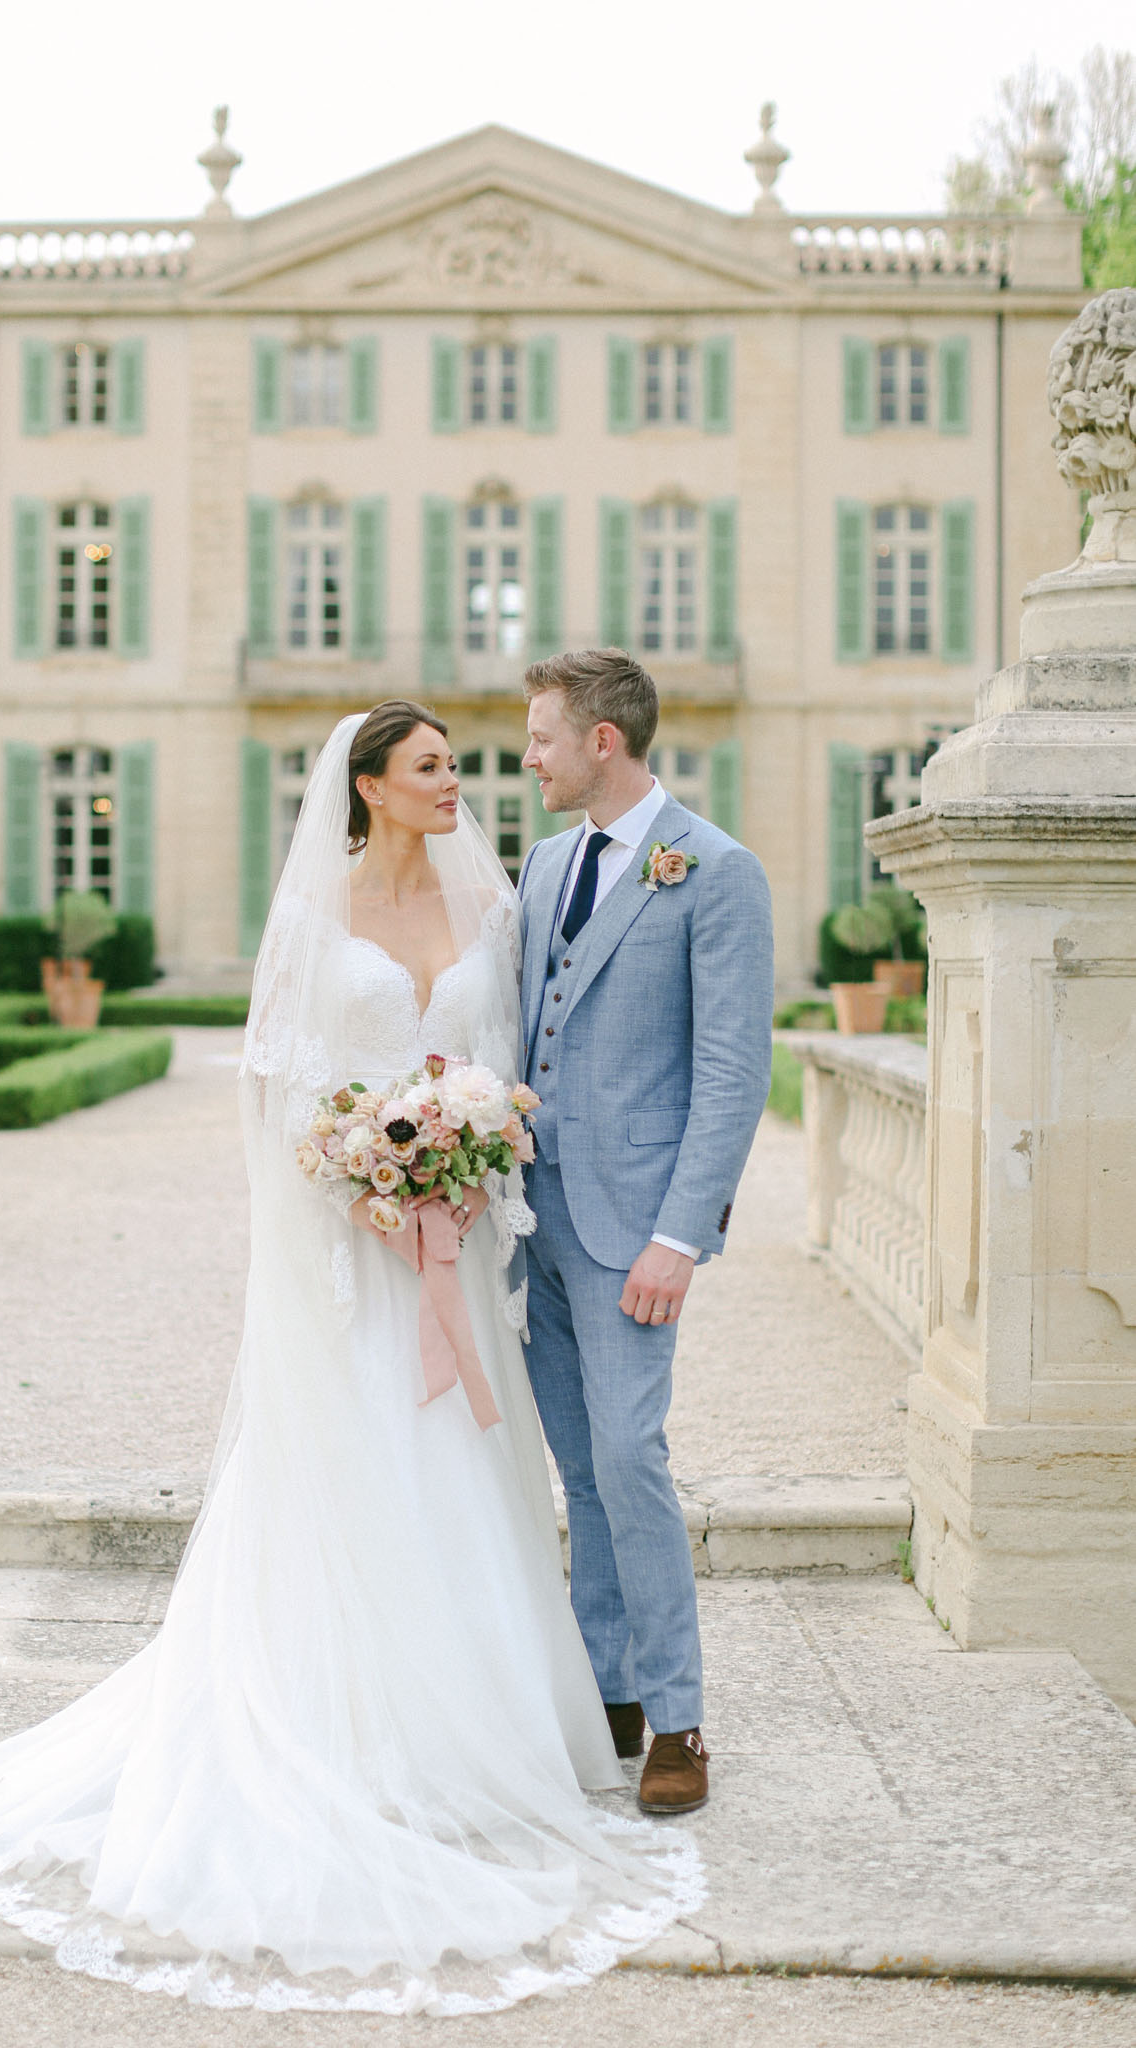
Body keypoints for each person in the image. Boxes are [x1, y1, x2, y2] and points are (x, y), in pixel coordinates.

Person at [0, 702, 702, 2015]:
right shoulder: (316, 920)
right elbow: (281, 1090)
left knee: (473, 1470)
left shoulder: (497, 907)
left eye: (456, 767)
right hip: (355, 1248)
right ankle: (353, 1733)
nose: (456, 784)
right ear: (366, 788)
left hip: (462, 1243)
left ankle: (475, 1736)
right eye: (429, 768)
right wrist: (360, 1178)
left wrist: (474, 1161)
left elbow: (506, 1063)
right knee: (360, 1460)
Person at [518, 649, 774, 1818]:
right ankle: (608, 1688)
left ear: (602, 741)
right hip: (534, 1214)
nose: (528, 757)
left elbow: (731, 1071)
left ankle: (679, 1716)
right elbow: (527, 1029)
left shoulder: (716, 872)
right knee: (579, 1467)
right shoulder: (545, 862)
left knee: (631, 1457)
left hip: (635, 1228)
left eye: (542, 738)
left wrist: (684, 1232)